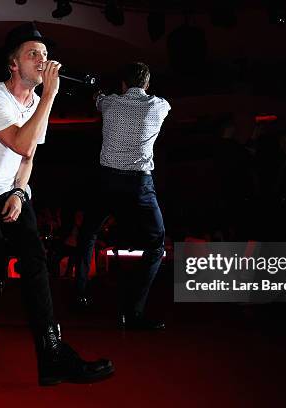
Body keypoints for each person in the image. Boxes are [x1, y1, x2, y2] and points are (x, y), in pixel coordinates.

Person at [0, 22, 113, 385]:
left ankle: (51, 353)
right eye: (33, 54)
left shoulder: (37, 101)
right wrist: (53, 95)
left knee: (35, 259)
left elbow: (28, 159)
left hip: (10, 189)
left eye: (44, 55)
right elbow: (22, 143)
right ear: (13, 64)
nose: (42, 60)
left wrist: (20, 192)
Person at [74, 62, 170, 330]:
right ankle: (133, 311)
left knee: (88, 235)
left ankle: (80, 293)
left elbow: (97, 99)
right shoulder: (159, 106)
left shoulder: (110, 104)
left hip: (107, 182)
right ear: (147, 85)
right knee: (156, 246)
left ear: (124, 84)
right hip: (139, 183)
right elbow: (165, 106)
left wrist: (97, 91)